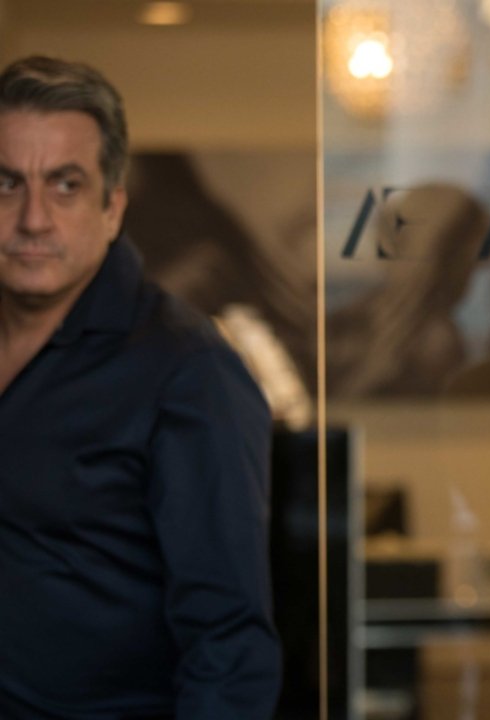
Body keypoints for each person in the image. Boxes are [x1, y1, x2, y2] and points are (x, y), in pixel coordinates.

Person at [0, 56, 280, 717]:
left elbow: (230, 648)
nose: (33, 219)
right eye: (6, 184)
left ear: (112, 206)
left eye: (66, 185)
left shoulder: (187, 371)